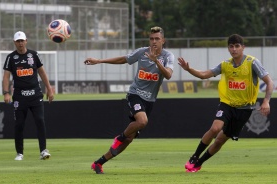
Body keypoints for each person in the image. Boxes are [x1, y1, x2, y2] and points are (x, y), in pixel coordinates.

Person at [178, 34, 274, 172]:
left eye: (237, 46)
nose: (234, 49)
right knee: (215, 128)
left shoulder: (252, 63)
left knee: (219, 141)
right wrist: (189, 69)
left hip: (244, 109)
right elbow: (205, 74)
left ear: (243, 47)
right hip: (227, 104)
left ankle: (199, 163)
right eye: (231, 46)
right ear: (228, 48)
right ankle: (194, 156)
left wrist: (266, 101)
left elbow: (269, 82)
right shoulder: (225, 65)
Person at [84, 26, 174, 174]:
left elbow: (169, 75)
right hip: (135, 94)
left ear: (163, 40)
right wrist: (99, 61)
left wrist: (156, 61)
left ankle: (99, 163)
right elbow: (123, 59)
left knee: (129, 139)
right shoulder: (142, 52)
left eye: (157, 39)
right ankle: (119, 137)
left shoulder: (168, 56)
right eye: (151, 39)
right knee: (142, 121)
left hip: (149, 101)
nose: (154, 41)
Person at [3, 31, 54, 161]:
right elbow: (6, 76)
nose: (20, 43)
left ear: (26, 41)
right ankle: (19, 153)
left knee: (40, 121)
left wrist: (49, 89)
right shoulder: (11, 57)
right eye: (18, 41)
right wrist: (6, 92)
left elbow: (42, 72)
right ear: (14, 42)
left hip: (35, 94)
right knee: (19, 124)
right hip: (19, 96)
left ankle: (43, 150)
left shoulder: (34, 55)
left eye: (22, 40)